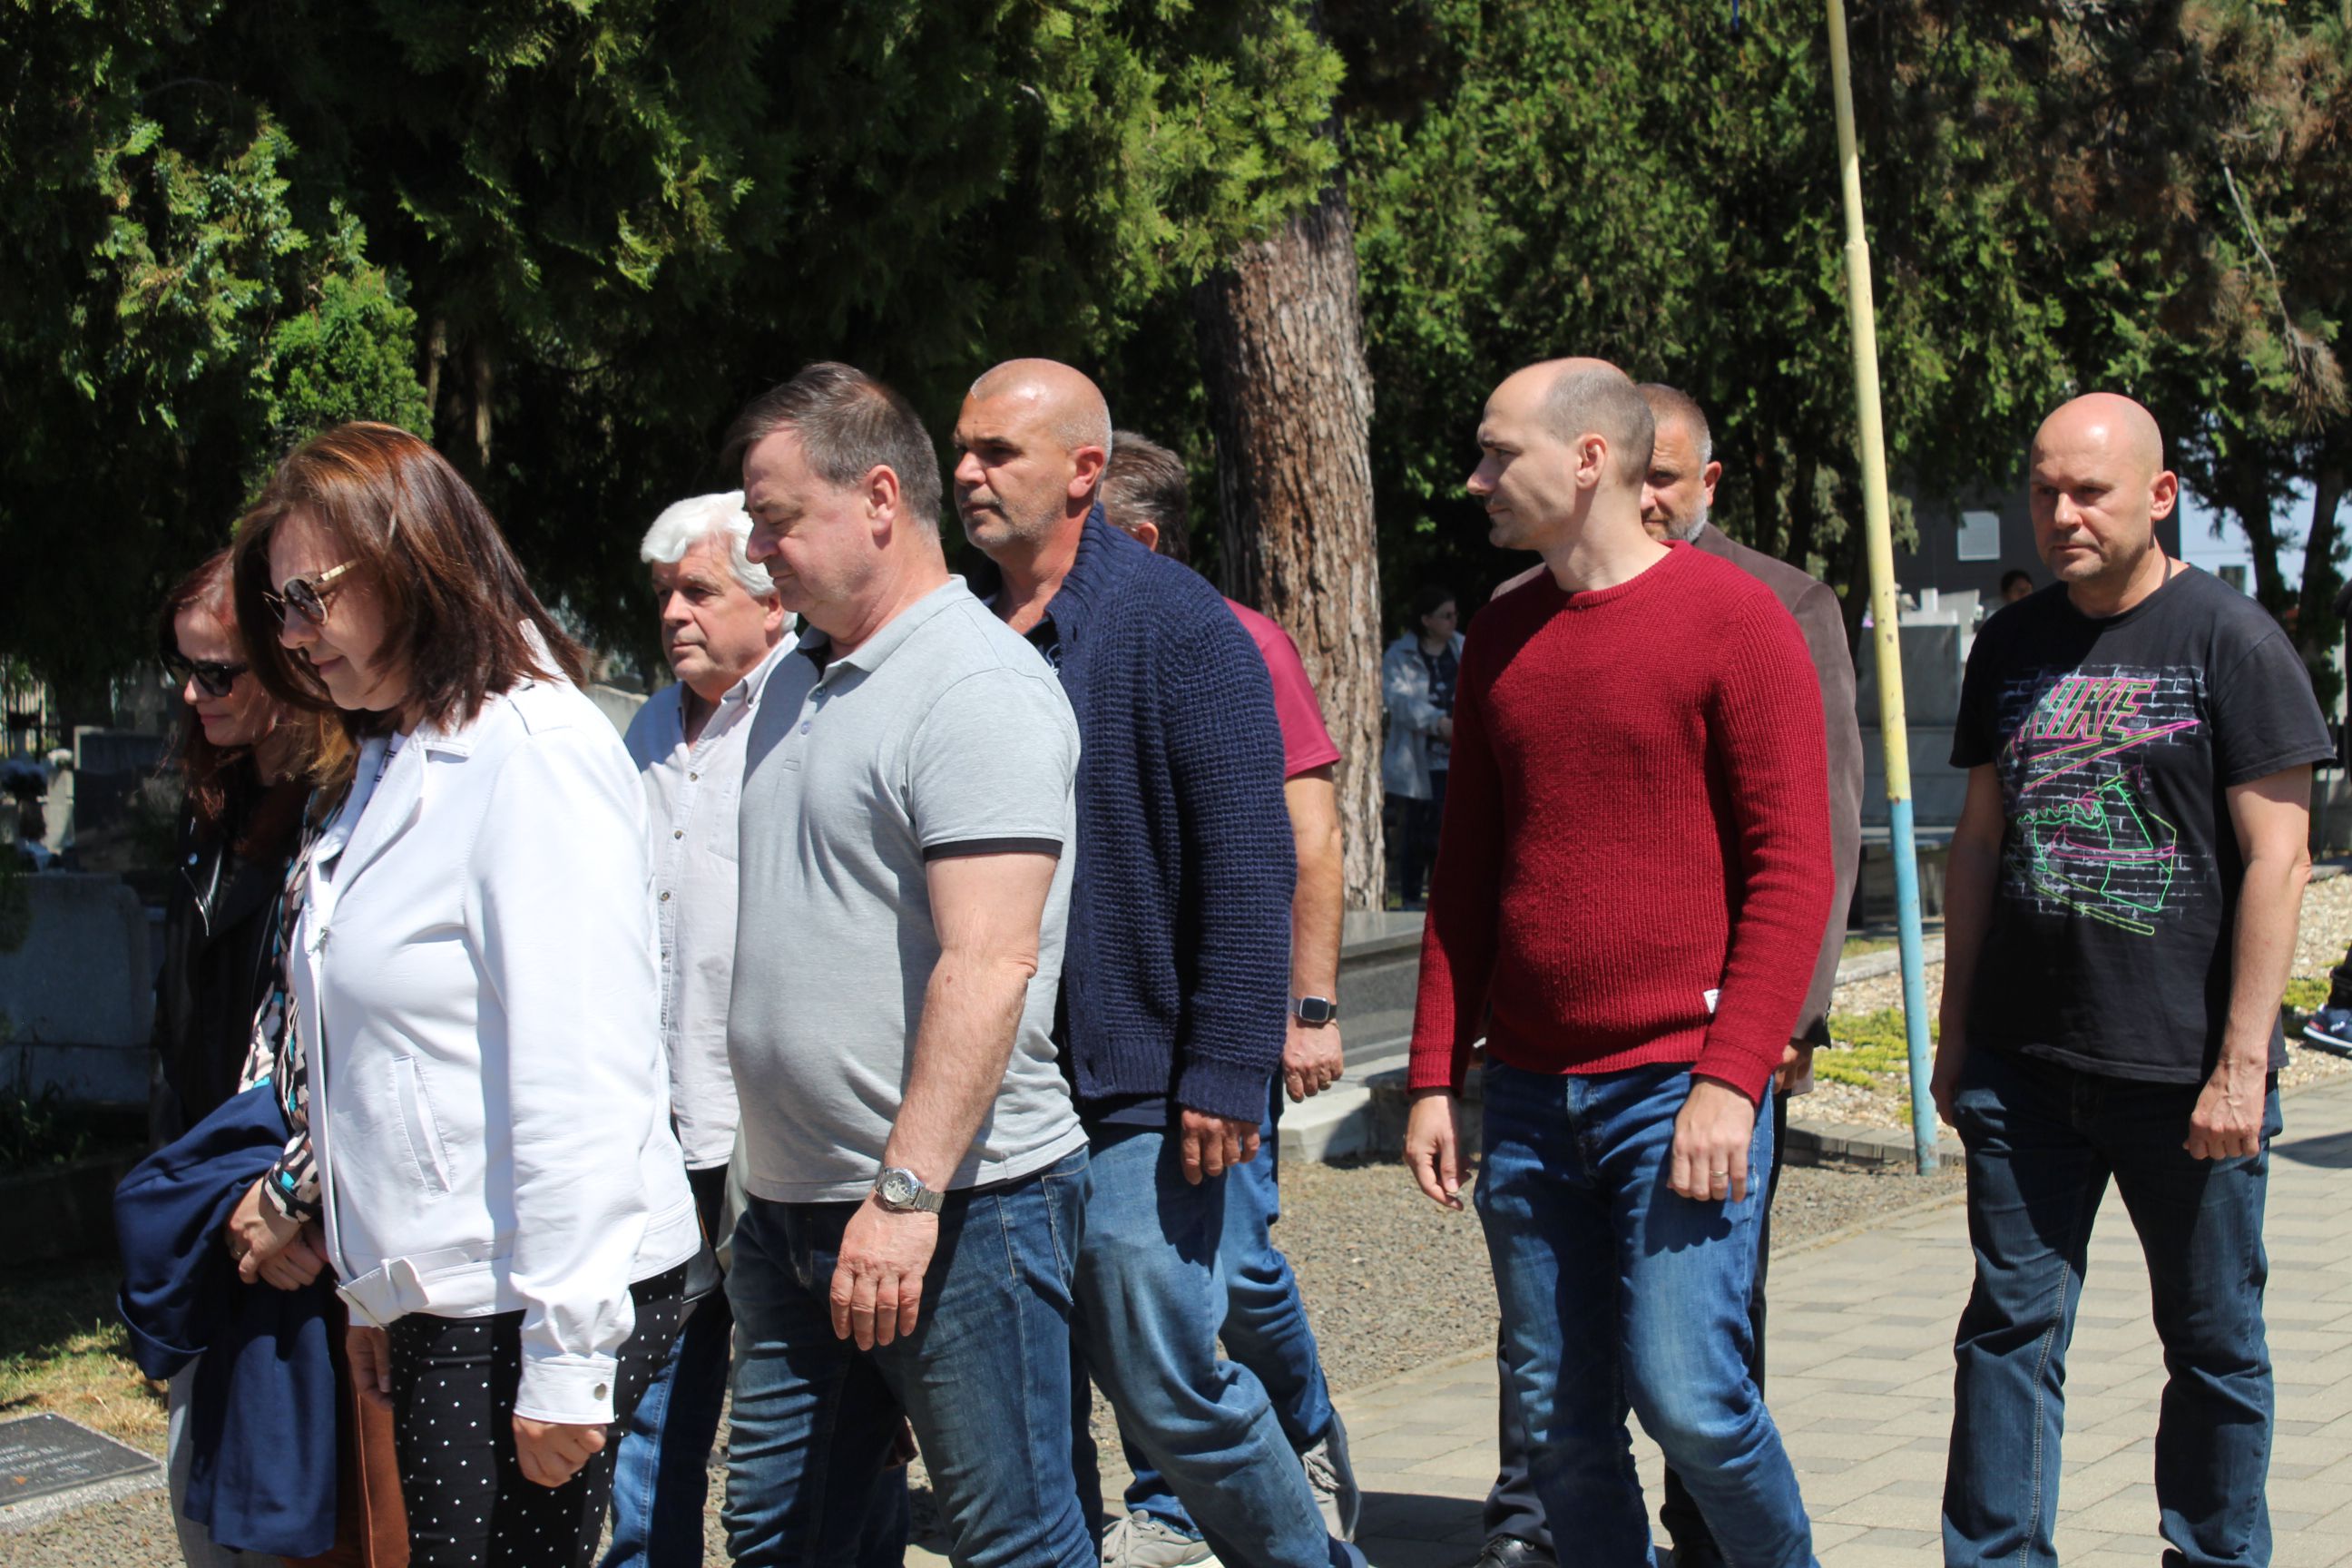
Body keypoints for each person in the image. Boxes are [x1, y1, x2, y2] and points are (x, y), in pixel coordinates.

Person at [230, 421, 702, 1568]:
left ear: (411, 560)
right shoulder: (396, 750)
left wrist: (569, 1359)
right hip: (444, 1293)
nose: (291, 637)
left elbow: (579, 1072)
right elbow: (382, 1060)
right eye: (278, 609)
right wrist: (369, 1286)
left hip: (528, 1296)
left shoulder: (529, 752)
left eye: (308, 598)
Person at [1403, 358, 1831, 1568]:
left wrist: (1730, 1079)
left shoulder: (1737, 621)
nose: (1476, 478)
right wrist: (1434, 1074)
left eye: (1499, 453)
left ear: (1590, 459)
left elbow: (1795, 872)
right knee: (1555, 1423)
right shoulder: (1501, 631)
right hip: (1532, 1095)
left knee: (1694, 1400)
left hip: (1678, 1087)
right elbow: (1465, 874)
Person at [955, 359, 1361, 1568]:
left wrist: (1228, 1068)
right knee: (1032, 1376)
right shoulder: (958, 629)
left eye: (997, 453)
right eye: (961, 450)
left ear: (1085, 471)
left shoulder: (1177, 625)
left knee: (1165, 1368)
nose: (967, 473)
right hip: (999, 1072)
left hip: (1140, 1074)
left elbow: (1251, 858)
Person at [1931, 393, 2330, 1568]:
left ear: (2160, 496)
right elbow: (1979, 845)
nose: (2063, 514)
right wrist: (1955, 1037)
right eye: (2045, 491)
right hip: (2025, 1067)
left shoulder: (2232, 642)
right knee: (2006, 1334)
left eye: (2089, 491)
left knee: (2213, 1348)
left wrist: (2242, 1066)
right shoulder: (2010, 644)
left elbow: (2281, 859)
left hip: (2184, 1077)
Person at [719, 361, 1092, 1568]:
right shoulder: (795, 678)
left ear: (879, 498)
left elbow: (990, 961)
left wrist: (905, 1198)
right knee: (783, 1534)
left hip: (959, 1209)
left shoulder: (975, 686)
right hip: (792, 1210)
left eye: (776, 519)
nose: (756, 551)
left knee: (1013, 1543)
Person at [1095, 430, 1360, 1563]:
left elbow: (1307, 838)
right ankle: (1168, 1498)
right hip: (1111, 1023)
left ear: (1145, 539)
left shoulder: (1237, 639)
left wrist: (1309, 1009)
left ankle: (1298, 1429)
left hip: (1222, 1014)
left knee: (1237, 1264)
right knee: (1153, 1272)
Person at [603, 493, 789, 1568]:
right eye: (665, 594)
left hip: (775, 1131)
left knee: (802, 1410)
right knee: (651, 1392)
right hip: (660, 1126)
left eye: (699, 591)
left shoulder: (807, 712)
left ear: (771, 605)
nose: (674, 613)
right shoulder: (642, 731)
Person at [148, 549, 341, 1568]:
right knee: (202, 1509)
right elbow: (180, 1031)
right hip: (218, 1205)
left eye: (217, 672)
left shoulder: (338, 812)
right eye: (183, 669)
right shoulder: (211, 807)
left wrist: (290, 1199)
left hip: (300, 1220)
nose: (194, 693)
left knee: (288, 1528)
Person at [1381, 587, 1462, 908]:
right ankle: (1411, 903)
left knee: (1452, 837)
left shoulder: (1463, 647)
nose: (1453, 621)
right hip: (1417, 765)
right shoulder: (1398, 655)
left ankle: (1449, 903)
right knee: (1415, 836)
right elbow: (1398, 702)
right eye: (1446, 615)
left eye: (1455, 614)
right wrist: (1438, 724)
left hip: (1458, 762)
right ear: (1426, 620)